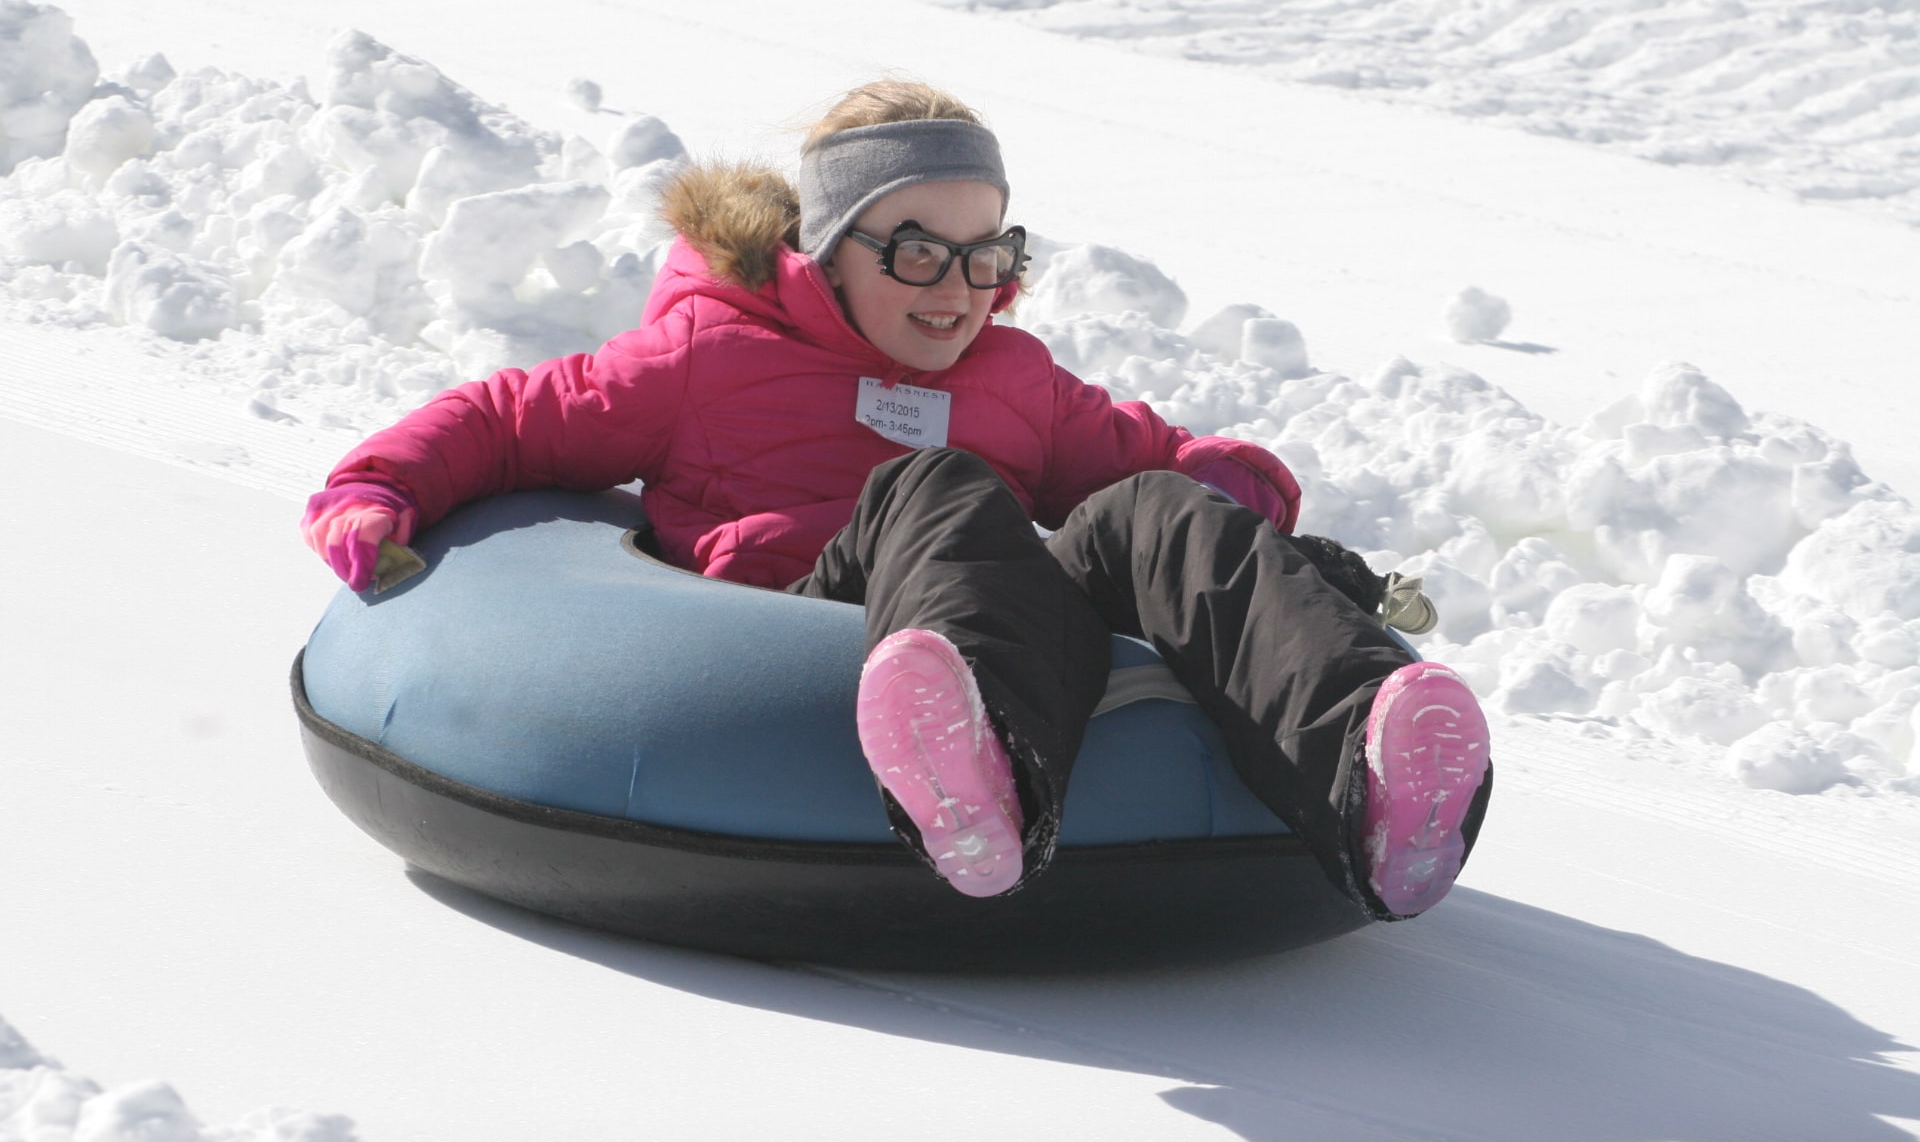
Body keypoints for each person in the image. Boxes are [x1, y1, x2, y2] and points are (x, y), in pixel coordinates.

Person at [302, 80, 1492, 922]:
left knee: (1149, 508)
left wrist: (1230, 480)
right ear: (827, 242)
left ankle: (1374, 775)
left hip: (1000, 606)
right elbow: (518, 415)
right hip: (803, 613)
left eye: (989, 256)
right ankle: (979, 781)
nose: (961, 289)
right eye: (917, 250)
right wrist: (377, 487)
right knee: (938, 481)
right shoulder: (708, 355)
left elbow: (1143, 452)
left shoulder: (1012, 380)